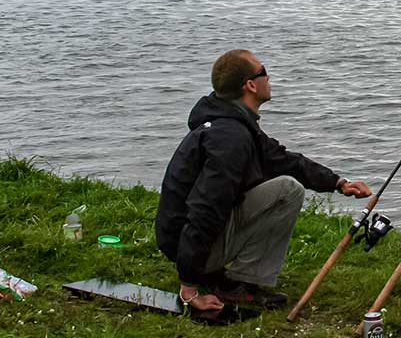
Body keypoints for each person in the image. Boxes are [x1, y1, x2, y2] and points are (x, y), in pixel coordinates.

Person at [155, 49, 371, 314]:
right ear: (250, 85)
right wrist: (189, 288)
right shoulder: (230, 139)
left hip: (183, 244)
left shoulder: (232, 123)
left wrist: (337, 182)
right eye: (263, 71)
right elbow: (206, 208)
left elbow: (282, 160)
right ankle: (238, 283)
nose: (268, 77)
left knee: (286, 185)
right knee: (287, 191)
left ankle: (224, 277)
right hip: (187, 250)